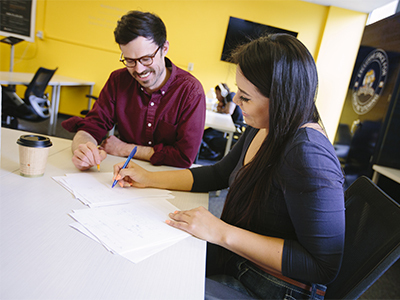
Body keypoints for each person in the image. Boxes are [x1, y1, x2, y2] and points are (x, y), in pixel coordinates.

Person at [112, 34, 345, 299]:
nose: (236, 103)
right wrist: (149, 178)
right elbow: (219, 174)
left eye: (245, 97)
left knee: (159, 286)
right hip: (239, 259)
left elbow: (323, 266)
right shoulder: (267, 124)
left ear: (280, 99)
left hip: (272, 285)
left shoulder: (309, 155)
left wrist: (221, 232)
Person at [62, 11, 206, 170]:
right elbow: (91, 127)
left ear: (164, 48)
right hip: (121, 174)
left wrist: (126, 149)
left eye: (146, 59)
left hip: (165, 178)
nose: (139, 70)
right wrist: (83, 150)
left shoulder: (190, 91)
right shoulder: (118, 80)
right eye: (130, 60)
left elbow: (184, 157)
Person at [200, 83, 244, 160]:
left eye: (217, 94)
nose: (217, 97)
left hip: (234, 126)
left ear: (223, 92)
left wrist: (221, 109)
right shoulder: (226, 99)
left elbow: (229, 111)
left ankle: (227, 147)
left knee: (207, 135)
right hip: (228, 124)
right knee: (205, 133)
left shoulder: (231, 95)